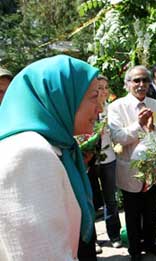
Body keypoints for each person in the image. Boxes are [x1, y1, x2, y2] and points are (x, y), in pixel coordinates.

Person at [0, 55, 102, 260]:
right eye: (93, 97)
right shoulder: (29, 153)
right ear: (61, 97)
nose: (99, 108)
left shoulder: (59, 147)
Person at [108, 65, 156, 261]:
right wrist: (139, 125)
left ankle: (150, 243)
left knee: (152, 211)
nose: (141, 85)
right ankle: (135, 250)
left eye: (144, 80)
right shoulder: (117, 107)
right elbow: (118, 138)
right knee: (133, 213)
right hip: (130, 170)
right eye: (136, 81)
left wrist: (153, 127)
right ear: (128, 84)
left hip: (154, 169)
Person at [88, 75, 122, 250]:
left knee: (111, 199)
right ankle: (92, 239)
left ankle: (114, 234)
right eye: (99, 87)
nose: (103, 91)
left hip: (108, 157)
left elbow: (117, 132)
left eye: (105, 87)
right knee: (90, 200)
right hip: (89, 160)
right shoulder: (84, 108)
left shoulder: (111, 109)